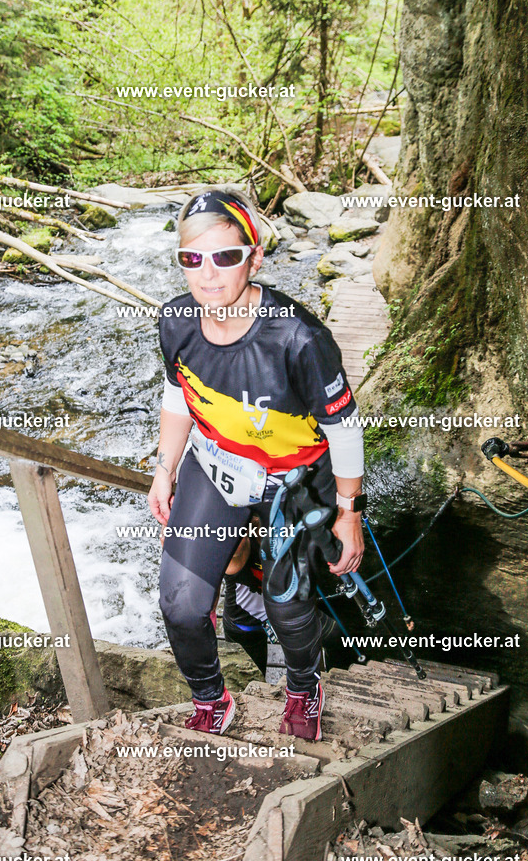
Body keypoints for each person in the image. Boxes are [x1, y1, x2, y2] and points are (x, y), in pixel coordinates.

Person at [148, 189, 365, 741]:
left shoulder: (298, 337)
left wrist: (349, 511)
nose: (208, 274)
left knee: (286, 604)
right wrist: (165, 467)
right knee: (180, 601)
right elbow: (178, 395)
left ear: (255, 258)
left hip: (294, 476)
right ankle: (210, 699)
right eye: (191, 259)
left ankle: (302, 686)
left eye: (225, 256)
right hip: (217, 461)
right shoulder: (176, 321)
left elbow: (345, 428)